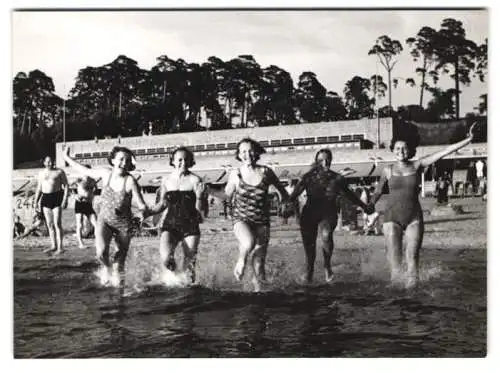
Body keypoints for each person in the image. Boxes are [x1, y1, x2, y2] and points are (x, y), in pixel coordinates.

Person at [368, 123, 477, 288]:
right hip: (391, 217)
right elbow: (377, 192)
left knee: (412, 258)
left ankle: (413, 292)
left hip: (413, 218)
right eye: (397, 148)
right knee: (395, 260)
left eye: (404, 148)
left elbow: (444, 152)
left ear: (410, 149)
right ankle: (396, 296)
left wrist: (468, 140)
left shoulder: (417, 165)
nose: (400, 152)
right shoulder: (387, 170)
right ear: (392, 149)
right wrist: (370, 205)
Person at [63, 145, 151, 287]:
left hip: (123, 224)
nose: (124, 163)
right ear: (113, 160)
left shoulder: (130, 181)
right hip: (104, 221)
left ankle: (120, 293)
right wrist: (67, 158)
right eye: (121, 159)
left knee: (119, 264)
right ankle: (106, 267)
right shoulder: (106, 174)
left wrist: (142, 212)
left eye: (128, 161)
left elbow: (142, 204)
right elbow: (85, 170)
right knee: (101, 253)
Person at [287, 149, 373, 284]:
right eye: (321, 160)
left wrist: (364, 206)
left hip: (328, 213)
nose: (325, 163)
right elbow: (293, 196)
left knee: (326, 235)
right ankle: (309, 270)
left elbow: (350, 195)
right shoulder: (308, 177)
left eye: (327, 160)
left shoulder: (337, 178)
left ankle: (327, 266)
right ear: (316, 162)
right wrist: (291, 210)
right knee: (309, 247)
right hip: (310, 213)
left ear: (331, 161)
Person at [222, 137, 289, 292]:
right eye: (243, 151)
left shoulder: (266, 172)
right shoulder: (236, 173)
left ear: (256, 152)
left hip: (262, 221)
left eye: (251, 150)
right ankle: (240, 262)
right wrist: (208, 191)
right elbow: (226, 195)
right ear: (238, 155)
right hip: (241, 219)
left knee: (259, 264)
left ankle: (259, 293)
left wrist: (284, 202)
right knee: (248, 242)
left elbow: (283, 192)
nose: (247, 154)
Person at [148, 147, 204, 284]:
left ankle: (188, 289)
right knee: (166, 258)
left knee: (190, 264)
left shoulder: (196, 180)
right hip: (170, 225)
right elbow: (161, 205)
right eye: (179, 160)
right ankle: (175, 280)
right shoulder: (166, 180)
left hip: (190, 225)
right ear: (173, 161)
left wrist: (200, 197)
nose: (183, 162)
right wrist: (146, 211)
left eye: (186, 159)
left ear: (191, 162)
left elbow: (201, 213)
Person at [33, 155, 69, 255]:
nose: (50, 163)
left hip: (57, 197)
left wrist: (65, 199)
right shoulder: (41, 173)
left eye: (51, 161)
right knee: (49, 224)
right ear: (44, 162)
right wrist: (36, 201)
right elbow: (39, 188)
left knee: (57, 223)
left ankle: (60, 247)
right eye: (48, 162)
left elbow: (66, 186)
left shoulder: (59, 172)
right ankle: (53, 245)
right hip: (46, 198)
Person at [72, 165, 99, 249]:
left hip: (88, 204)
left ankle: (98, 242)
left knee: (96, 224)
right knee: (79, 224)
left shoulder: (93, 180)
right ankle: (81, 243)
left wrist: (92, 195)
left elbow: (96, 189)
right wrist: (74, 195)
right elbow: (68, 187)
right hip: (80, 203)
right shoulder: (79, 180)